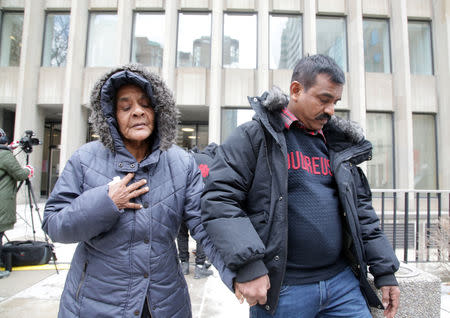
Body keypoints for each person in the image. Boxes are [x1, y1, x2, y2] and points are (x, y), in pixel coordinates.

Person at [201, 55, 400, 318]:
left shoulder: (338, 146)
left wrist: (385, 271)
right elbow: (220, 200)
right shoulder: (255, 136)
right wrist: (249, 266)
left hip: (342, 285)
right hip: (283, 290)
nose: (330, 110)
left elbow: (361, 212)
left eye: (335, 102)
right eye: (324, 99)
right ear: (296, 90)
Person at [42, 64, 233, 318]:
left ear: (158, 111)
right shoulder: (85, 159)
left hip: (164, 304)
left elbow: (206, 225)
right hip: (95, 304)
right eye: (126, 107)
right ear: (111, 115)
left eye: (145, 104)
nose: (138, 112)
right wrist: (106, 202)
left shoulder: (182, 163)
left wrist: (239, 272)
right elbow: (54, 223)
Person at [177, 144, 217, 278]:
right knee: (201, 233)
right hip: (201, 205)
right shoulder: (213, 163)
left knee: (181, 233)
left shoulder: (188, 158)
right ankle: (200, 266)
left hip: (181, 202)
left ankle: (184, 265)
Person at [0, 128, 33, 278]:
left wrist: (11, 147)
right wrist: (28, 169)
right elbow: (19, 174)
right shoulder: (5, 156)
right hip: (3, 202)